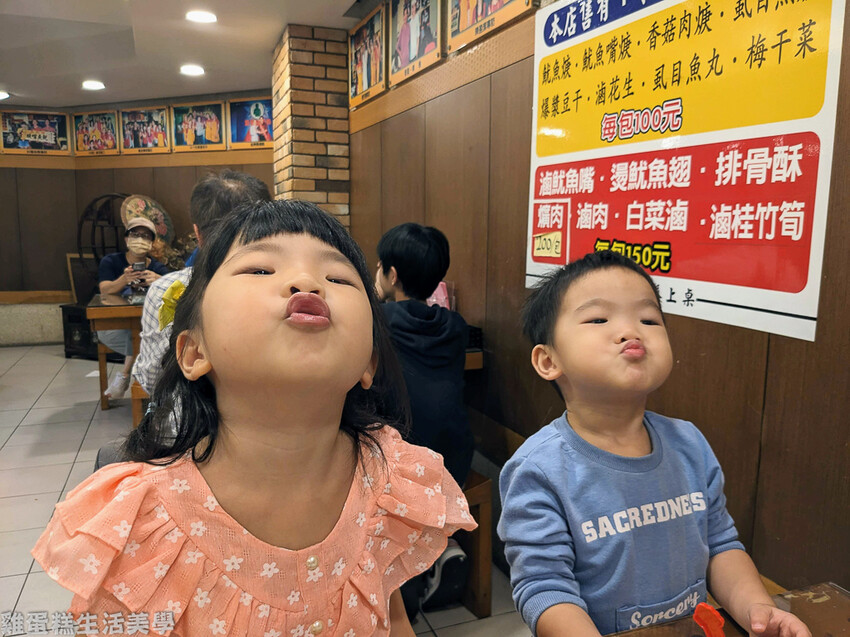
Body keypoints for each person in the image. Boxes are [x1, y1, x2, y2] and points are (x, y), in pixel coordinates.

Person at [33, 200, 477, 637]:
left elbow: (392, 617)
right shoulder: (141, 524)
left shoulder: (390, 477)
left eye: (338, 276)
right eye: (261, 269)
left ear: (369, 363)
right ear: (193, 352)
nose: (307, 282)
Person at [498, 251, 811, 637]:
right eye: (599, 319)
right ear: (548, 361)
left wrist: (760, 610)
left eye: (648, 319)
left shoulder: (689, 443)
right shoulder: (538, 468)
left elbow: (721, 545)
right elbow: (544, 587)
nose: (632, 331)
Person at [375, 223, 473, 616]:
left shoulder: (376, 322)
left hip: (402, 463)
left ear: (392, 274)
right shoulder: (457, 327)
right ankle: (441, 545)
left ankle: (406, 581)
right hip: (457, 458)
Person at [132, 169, 271, 395]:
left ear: (197, 233)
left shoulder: (165, 290)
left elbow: (153, 379)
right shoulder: (288, 288)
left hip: (185, 425)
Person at [97, 216, 169, 400]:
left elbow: (175, 290)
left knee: (140, 334)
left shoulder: (158, 268)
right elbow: (104, 290)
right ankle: (148, 387)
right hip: (113, 329)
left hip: (146, 330)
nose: (140, 239)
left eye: (146, 236)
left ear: (152, 243)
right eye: (135, 234)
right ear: (126, 238)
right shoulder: (111, 261)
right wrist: (123, 280)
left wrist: (159, 280)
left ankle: (125, 376)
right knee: (140, 337)